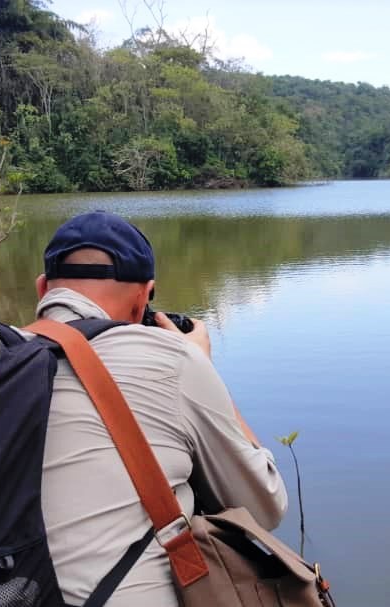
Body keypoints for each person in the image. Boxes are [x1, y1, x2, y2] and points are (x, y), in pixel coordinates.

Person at [31, 211, 288, 606]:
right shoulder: (174, 360)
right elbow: (265, 507)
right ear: (143, 298)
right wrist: (201, 366)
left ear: (42, 288)